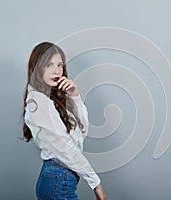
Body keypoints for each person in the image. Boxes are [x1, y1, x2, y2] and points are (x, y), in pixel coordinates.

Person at [22, 42, 106, 200]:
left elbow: (82, 133)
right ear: (37, 67)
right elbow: (66, 148)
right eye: (49, 64)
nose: (57, 70)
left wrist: (74, 96)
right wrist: (96, 183)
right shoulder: (39, 102)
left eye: (60, 65)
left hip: (60, 178)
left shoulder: (51, 98)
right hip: (58, 180)